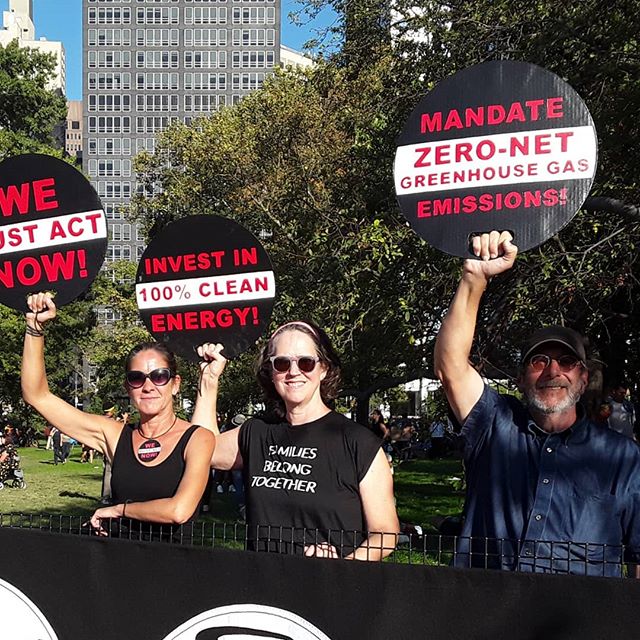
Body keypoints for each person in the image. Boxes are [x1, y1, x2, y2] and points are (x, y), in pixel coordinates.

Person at [434, 230, 640, 577]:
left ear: (584, 378)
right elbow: (450, 366)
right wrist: (474, 278)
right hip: (484, 616)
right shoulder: (494, 426)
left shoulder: (622, 457)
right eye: (539, 361)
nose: (553, 371)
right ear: (520, 378)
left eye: (567, 362)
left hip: (578, 624)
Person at [21, 292, 215, 540]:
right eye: (137, 378)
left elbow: (179, 510)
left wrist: (119, 510)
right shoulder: (114, 434)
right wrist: (34, 328)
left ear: (175, 384)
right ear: (128, 388)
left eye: (159, 376)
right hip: (116, 564)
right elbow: (37, 395)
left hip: (173, 569)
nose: (148, 386)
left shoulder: (198, 438)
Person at [198, 321, 399, 560]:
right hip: (263, 587)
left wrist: (345, 566)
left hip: (331, 589)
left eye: (306, 362)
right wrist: (209, 381)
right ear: (271, 372)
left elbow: (385, 533)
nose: (294, 372)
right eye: (282, 363)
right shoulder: (258, 431)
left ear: (323, 368)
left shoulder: (357, 442)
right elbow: (201, 450)